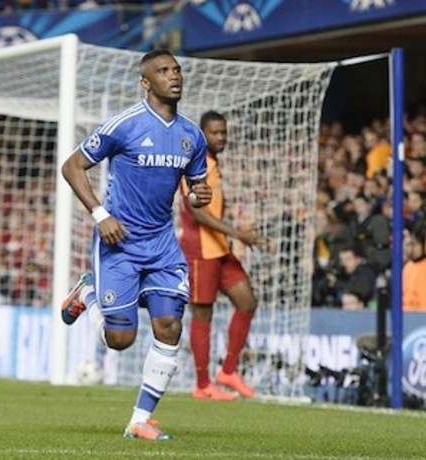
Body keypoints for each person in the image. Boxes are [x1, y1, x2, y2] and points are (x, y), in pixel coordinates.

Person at [60, 49, 212, 441]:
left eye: (176, 69)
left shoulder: (192, 136)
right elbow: (72, 166)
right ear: (146, 82)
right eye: (163, 71)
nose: (173, 76)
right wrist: (100, 215)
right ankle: (88, 294)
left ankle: (139, 420)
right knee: (120, 340)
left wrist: (200, 195)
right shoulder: (124, 124)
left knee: (169, 325)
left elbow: (195, 190)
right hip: (120, 243)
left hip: (162, 245)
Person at [178, 111, 269, 401]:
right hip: (199, 250)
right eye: (215, 132)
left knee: (247, 302)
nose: (221, 137)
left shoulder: (213, 163)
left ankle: (228, 371)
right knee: (203, 313)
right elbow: (197, 212)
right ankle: (202, 384)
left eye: (223, 132)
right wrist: (238, 233)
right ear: (202, 134)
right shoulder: (193, 164)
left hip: (220, 248)